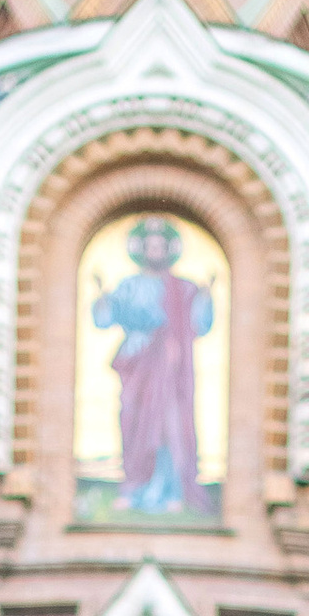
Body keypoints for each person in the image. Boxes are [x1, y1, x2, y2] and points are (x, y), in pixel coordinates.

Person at [88, 217, 216, 515]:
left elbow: (200, 325)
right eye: (150, 245)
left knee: (168, 427)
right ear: (142, 249)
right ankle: (133, 488)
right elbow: (105, 320)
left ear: (169, 250)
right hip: (137, 366)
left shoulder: (183, 288)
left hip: (170, 373)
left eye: (161, 245)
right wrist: (103, 298)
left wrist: (205, 298)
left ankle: (172, 491)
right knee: (133, 423)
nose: (155, 250)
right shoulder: (129, 286)